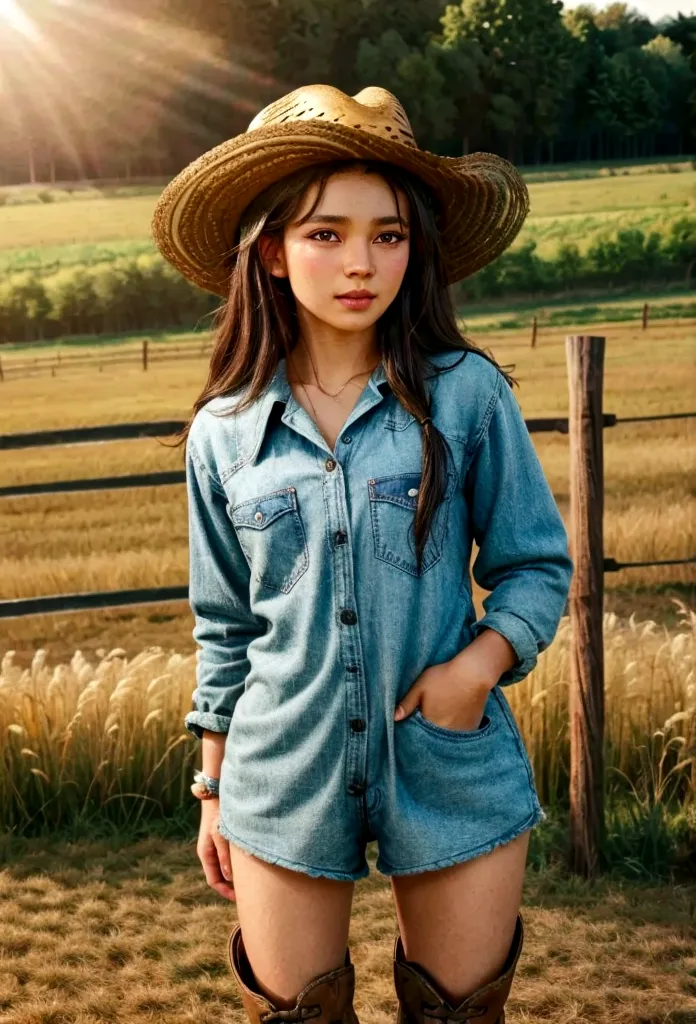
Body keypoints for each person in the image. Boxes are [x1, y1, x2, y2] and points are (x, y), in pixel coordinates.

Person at [152, 84, 574, 1024]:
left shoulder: (466, 396)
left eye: (388, 235)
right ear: (270, 252)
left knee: (460, 1016)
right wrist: (213, 790)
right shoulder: (223, 433)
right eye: (326, 234)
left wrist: (475, 668)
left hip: (448, 763)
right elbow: (224, 629)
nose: (361, 263)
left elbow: (536, 566)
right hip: (280, 771)